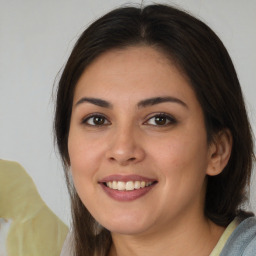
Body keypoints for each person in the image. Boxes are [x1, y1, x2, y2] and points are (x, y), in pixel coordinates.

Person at [55, 4, 255, 256]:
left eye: (159, 120)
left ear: (216, 151)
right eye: (97, 120)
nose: (122, 149)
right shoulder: (74, 250)